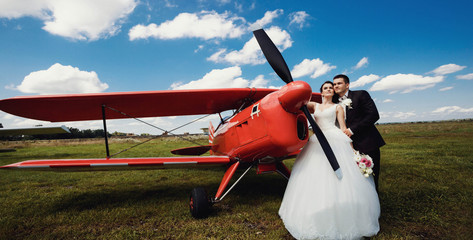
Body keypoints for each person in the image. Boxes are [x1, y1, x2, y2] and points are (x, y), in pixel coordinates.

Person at [279, 81, 380, 239]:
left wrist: (352, 149)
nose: (328, 90)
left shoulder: (337, 107)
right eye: (325, 88)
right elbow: (297, 104)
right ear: (321, 91)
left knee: (340, 175)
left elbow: (343, 127)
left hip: (335, 139)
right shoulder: (314, 105)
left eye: (331, 88)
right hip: (317, 141)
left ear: (333, 92)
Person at [333, 74, 385, 192]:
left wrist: (352, 130)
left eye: (339, 83)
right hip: (346, 145)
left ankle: (374, 199)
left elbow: (373, 115)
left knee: (372, 172)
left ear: (347, 85)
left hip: (367, 141)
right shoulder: (333, 101)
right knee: (352, 175)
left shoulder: (360, 94)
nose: (336, 86)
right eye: (334, 84)